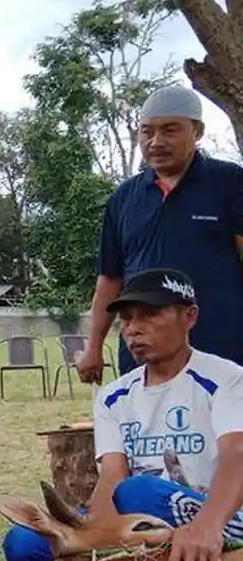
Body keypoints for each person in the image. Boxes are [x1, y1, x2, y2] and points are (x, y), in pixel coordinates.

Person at [4, 269, 243, 561]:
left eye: (149, 315)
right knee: (24, 543)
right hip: (138, 519)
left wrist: (207, 525)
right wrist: (95, 531)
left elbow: (237, 456)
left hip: (219, 513)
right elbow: (111, 477)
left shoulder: (227, 379)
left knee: (138, 492)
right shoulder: (114, 396)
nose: (133, 329)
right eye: (126, 319)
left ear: (189, 316)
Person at [78, 85, 243, 383]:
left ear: (197, 131)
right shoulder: (124, 198)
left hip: (221, 349)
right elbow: (110, 278)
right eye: (147, 132)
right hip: (142, 355)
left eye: (169, 130)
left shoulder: (230, 183)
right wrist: (94, 346)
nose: (156, 142)